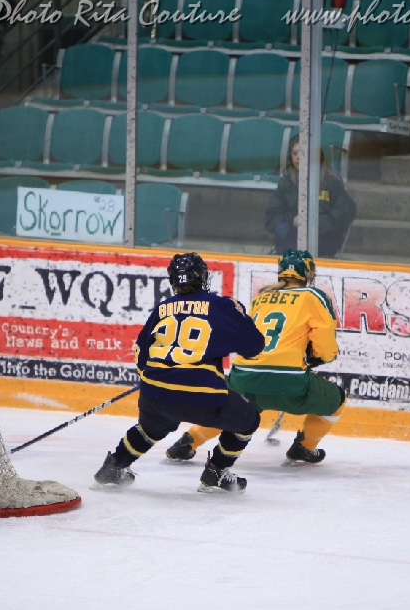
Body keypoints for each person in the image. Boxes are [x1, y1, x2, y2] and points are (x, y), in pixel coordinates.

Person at [94, 253, 266, 493]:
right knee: (248, 420)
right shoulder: (220, 305)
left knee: (150, 427)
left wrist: (154, 381)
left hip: (154, 393)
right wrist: (239, 315)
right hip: (202, 396)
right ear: (202, 277)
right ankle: (216, 472)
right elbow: (255, 346)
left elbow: (141, 354)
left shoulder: (162, 308)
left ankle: (113, 466)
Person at [165, 249, 346, 466]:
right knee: (338, 401)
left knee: (232, 410)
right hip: (289, 382)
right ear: (307, 273)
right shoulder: (313, 295)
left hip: (244, 376)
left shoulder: (262, 297)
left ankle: (188, 442)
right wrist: (320, 357)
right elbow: (324, 343)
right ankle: (304, 448)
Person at [265, 135, 357, 259]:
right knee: (283, 229)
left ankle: (298, 265)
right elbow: (272, 216)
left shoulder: (332, 182)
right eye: (294, 153)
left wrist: (312, 223)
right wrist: (293, 219)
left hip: (323, 237)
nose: (298, 157)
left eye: (302, 153)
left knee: (302, 242)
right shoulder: (286, 182)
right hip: (293, 234)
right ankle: (293, 265)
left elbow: (343, 215)